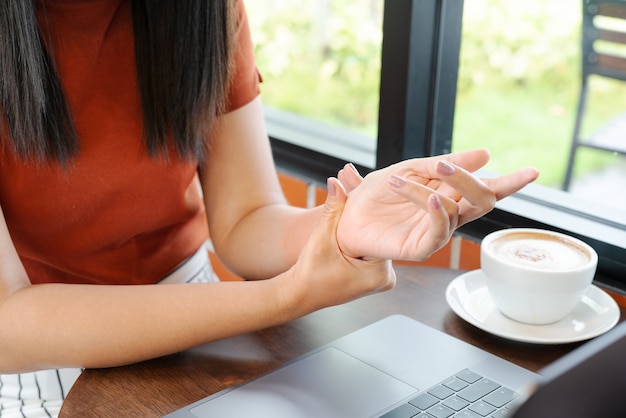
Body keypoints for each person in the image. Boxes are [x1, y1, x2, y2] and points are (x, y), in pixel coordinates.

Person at [0, 0, 539, 416]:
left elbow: (245, 219)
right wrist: (284, 296)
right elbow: (10, 323)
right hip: (46, 351)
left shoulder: (202, 12)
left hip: (197, 306)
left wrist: (344, 226)